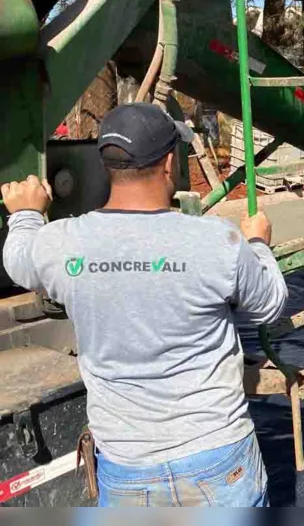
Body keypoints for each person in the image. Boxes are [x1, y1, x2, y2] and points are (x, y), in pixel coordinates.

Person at [1, 103, 287, 507]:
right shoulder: (217, 241)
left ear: (108, 164)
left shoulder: (63, 244)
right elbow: (269, 304)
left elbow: (17, 260)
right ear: (169, 163)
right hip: (218, 461)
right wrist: (258, 243)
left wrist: (27, 214)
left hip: (126, 472)